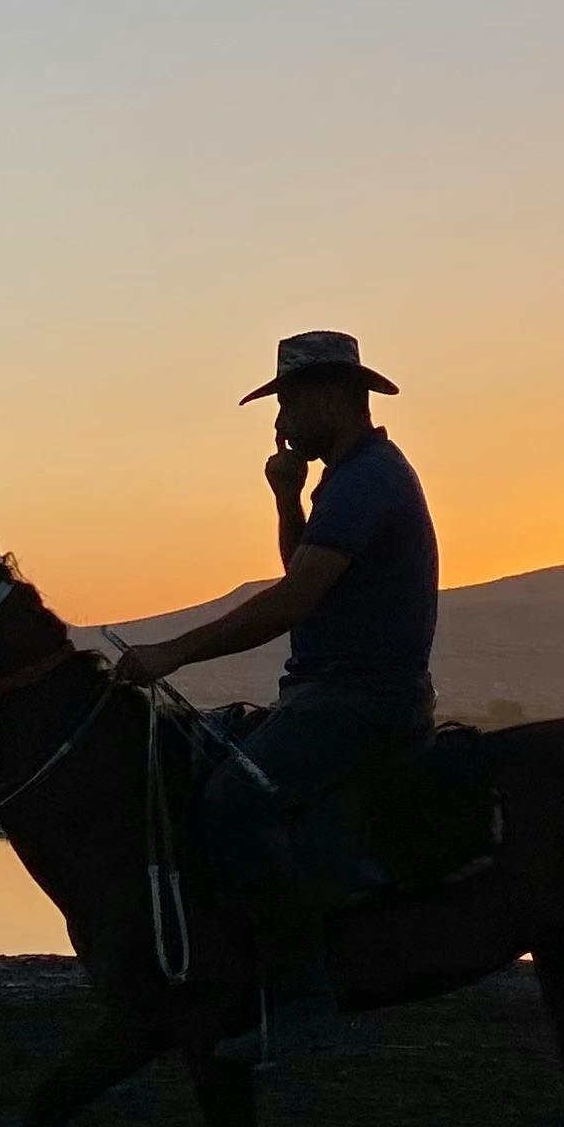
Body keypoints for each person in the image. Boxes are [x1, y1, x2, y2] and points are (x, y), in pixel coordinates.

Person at [110, 331, 438, 980]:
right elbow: (306, 575)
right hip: (330, 692)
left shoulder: (367, 479)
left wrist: (174, 651)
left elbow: (294, 600)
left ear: (327, 401)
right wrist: (287, 498)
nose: (281, 428)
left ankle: (297, 980)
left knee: (239, 794)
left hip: (361, 697)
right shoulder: (345, 478)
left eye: (285, 408)